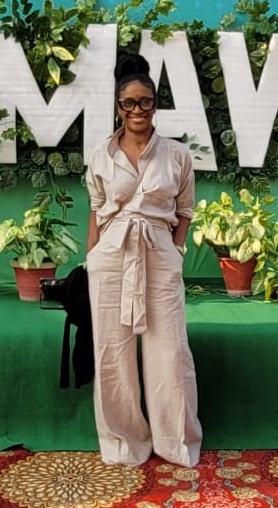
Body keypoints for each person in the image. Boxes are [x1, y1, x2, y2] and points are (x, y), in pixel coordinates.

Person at [84, 53, 202, 468]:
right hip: (112, 254)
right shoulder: (100, 155)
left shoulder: (176, 155)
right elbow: (97, 209)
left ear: (156, 104)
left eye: (145, 101)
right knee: (111, 353)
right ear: (118, 107)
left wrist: (177, 249)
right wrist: (92, 256)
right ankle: (122, 442)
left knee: (169, 352)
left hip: (158, 250)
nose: (137, 110)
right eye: (129, 103)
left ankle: (175, 442)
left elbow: (184, 209)